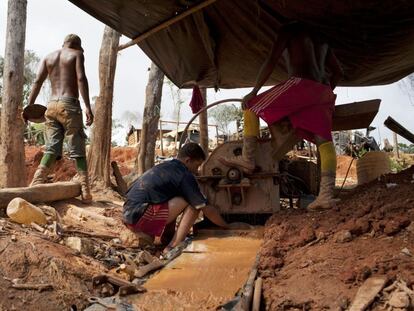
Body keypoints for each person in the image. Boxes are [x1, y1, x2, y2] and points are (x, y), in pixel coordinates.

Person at [220, 22, 344, 211]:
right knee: (324, 143)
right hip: (323, 91)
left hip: (301, 84)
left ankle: (248, 159)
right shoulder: (322, 38)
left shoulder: (290, 29)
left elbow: (270, 60)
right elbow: (338, 72)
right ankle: (326, 196)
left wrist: (254, 91)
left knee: (250, 107)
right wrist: (321, 92)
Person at [123, 143, 232, 255]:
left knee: (175, 196)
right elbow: (206, 208)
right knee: (195, 204)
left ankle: (167, 238)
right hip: (140, 217)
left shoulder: (166, 166)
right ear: (188, 160)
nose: (197, 170)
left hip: (129, 215)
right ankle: (172, 247)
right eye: (197, 165)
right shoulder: (183, 174)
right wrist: (227, 226)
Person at [26, 34, 94, 203]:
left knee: (52, 147)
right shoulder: (77, 55)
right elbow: (81, 78)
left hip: (51, 106)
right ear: (77, 46)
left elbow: (37, 82)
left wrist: (29, 107)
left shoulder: (48, 57)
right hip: (69, 104)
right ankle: (85, 190)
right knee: (77, 144)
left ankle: (36, 182)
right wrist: (87, 106)